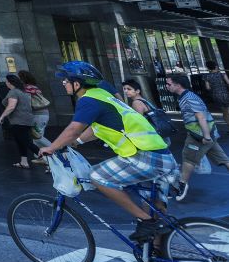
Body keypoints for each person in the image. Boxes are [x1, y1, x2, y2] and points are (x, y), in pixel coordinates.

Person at [39, 61, 180, 242]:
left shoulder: (88, 100)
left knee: (97, 177)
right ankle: (160, 259)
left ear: (77, 83)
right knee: (154, 209)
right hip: (162, 156)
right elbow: (95, 129)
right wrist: (77, 142)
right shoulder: (102, 96)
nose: (63, 83)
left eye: (66, 80)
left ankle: (145, 221)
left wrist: (51, 147)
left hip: (144, 156)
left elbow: (74, 128)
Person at [166, 73, 229, 202]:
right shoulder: (185, 97)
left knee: (188, 158)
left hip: (199, 135)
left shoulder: (189, 98)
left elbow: (201, 116)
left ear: (178, 85)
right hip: (206, 134)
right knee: (223, 159)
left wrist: (205, 136)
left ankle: (182, 184)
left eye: (169, 84)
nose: (167, 86)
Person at [0, 73, 41, 169]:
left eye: (6, 81)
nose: (6, 83)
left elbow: (11, 106)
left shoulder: (13, 92)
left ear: (9, 83)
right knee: (21, 141)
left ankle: (48, 159)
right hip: (26, 120)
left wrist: (2, 116)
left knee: (26, 142)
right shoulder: (23, 91)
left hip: (19, 121)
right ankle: (24, 162)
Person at [121, 79, 171, 146]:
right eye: (124, 89)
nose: (126, 91)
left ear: (137, 91)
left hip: (152, 135)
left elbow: (139, 121)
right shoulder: (143, 100)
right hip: (159, 133)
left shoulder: (136, 102)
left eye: (129, 89)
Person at [18, 69, 52, 147]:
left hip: (38, 115)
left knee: (37, 137)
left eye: (19, 78)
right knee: (36, 137)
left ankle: (55, 150)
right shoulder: (34, 87)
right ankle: (40, 157)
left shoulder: (27, 88)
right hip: (43, 114)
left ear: (22, 79)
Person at [204, 61, 229, 130]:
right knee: (227, 110)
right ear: (216, 66)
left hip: (216, 95)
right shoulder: (222, 74)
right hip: (225, 94)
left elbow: (208, 88)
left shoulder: (207, 76)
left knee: (225, 113)